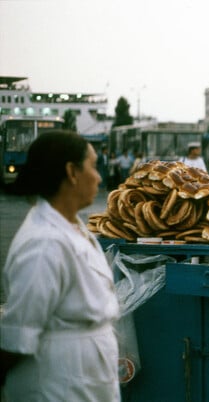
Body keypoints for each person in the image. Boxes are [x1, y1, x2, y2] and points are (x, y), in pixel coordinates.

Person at [0, 130, 121, 401]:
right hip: (57, 385)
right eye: (93, 166)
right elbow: (17, 338)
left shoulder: (73, 227)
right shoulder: (43, 244)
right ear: (72, 172)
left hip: (86, 381)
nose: (99, 177)